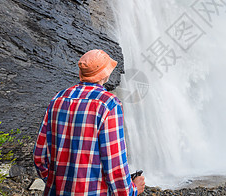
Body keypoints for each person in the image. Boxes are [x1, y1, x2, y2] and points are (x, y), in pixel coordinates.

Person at [33, 49, 145, 195]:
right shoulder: (109, 104)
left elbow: (39, 156)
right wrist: (132, 190)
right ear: (106, 74)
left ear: (81, 73)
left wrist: (55, 182)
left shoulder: (57, 99)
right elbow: (115, 164)